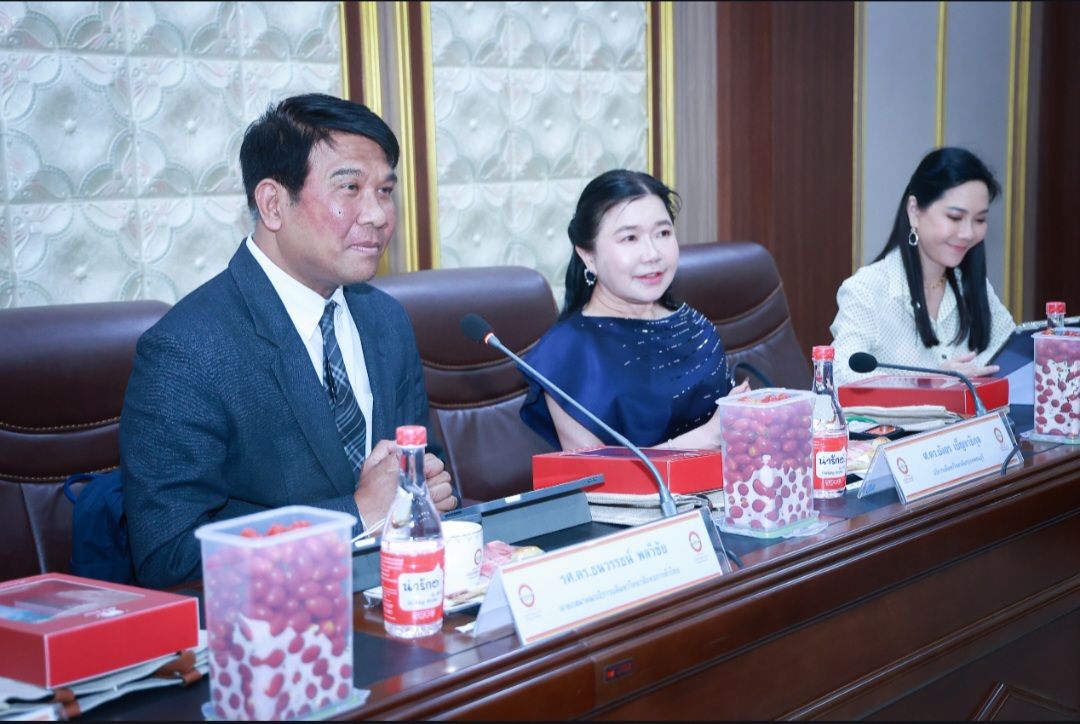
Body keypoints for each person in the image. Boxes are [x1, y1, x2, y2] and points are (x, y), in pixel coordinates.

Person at [121, 94, 457, 588]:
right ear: (273, 204)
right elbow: (169, 561)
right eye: (350, 188)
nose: (377, 215)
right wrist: (356, 516)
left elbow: (417, 474)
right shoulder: (187, 350)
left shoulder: (386, 320)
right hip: (275, 625)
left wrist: (428, 490)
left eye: (385, 191)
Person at [519, 169, 746, 451]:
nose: (652, 253)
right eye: (630, 238)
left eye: (663, 233)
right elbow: (593, 474)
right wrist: (704, 439)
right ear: (588, 255)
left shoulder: (695, 327)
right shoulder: (566, 354)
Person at [830, 147, 1016, 385]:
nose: (968, 233)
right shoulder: (867, 290)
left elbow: (1011, 353)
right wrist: (923, 383)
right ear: (914, 212)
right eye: (955, 217)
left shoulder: (971, 285)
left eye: (979, 219)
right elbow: (840, 375)